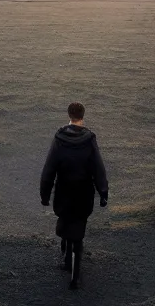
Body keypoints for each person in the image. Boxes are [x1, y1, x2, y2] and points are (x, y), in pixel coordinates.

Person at [40, 102, 108, 290]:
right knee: (79, 231)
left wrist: (45, 195)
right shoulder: (90, 139)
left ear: (69, 114)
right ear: (82, 115)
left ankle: (66, 260)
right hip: (83, 193)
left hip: (64, 192)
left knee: (66, 222)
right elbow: (98, 168)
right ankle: (75, 277)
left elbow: (49, 169)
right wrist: (103, 192)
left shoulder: (59, 139)